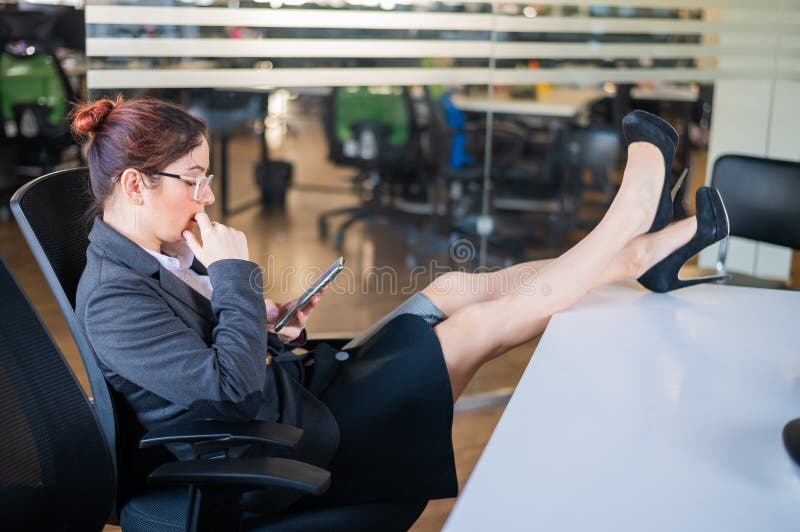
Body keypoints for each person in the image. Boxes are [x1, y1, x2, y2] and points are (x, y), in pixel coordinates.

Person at [71, 97, 728, 517]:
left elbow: (212, 348)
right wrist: (235, 275)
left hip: (293, 394)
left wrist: (267, 319)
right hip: (274, 448)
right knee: (475, 330)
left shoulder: (152, 250)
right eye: (195, 180)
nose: (207, 196)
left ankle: (638, 251)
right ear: (134, 183)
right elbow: (228, 386)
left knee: (447, 292)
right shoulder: (111, 298)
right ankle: (633, 226)